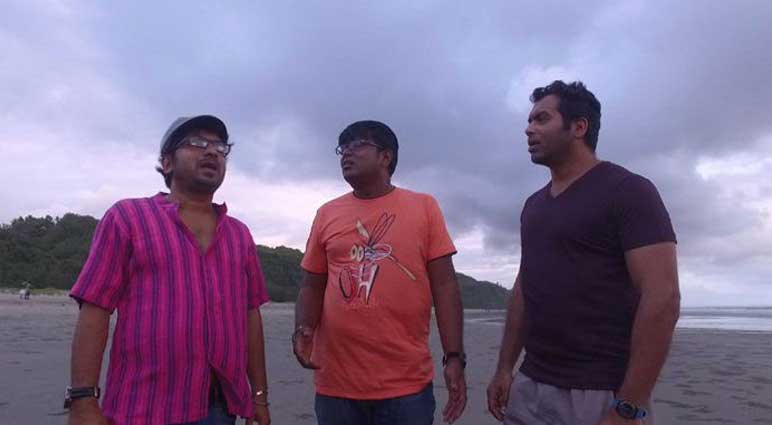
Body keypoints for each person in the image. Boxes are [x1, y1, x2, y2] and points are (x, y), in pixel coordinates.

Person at [486, 81, 680, 425]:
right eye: (529, 120)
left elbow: (662, 297)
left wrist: (629, 406)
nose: (529, 129)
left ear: (579, 127)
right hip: (531, 384)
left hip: (598, 391)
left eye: (541, 119)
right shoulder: (534, 205)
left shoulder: (628, 191)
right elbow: (525, 286)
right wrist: (504, 368)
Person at [66, 115, 271, 425]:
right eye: (197, 143)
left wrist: (259, 396)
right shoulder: (128, 217)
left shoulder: (239, 234)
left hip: (220, 408)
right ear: (167, 162)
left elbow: (250, 316)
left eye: (220, 147)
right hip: (143, 406)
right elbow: (96, 306)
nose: (212, 151)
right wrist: (83, 400)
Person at [293, 120, 467, 425]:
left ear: (386, 157)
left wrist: (454, 356)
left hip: (406, 384)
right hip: (336, 384)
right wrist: (302, 328)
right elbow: (312, 284)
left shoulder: (424, 207)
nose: (346, 153)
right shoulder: (326, 213)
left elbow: (445, 285)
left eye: (357, 145)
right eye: (342, 148)